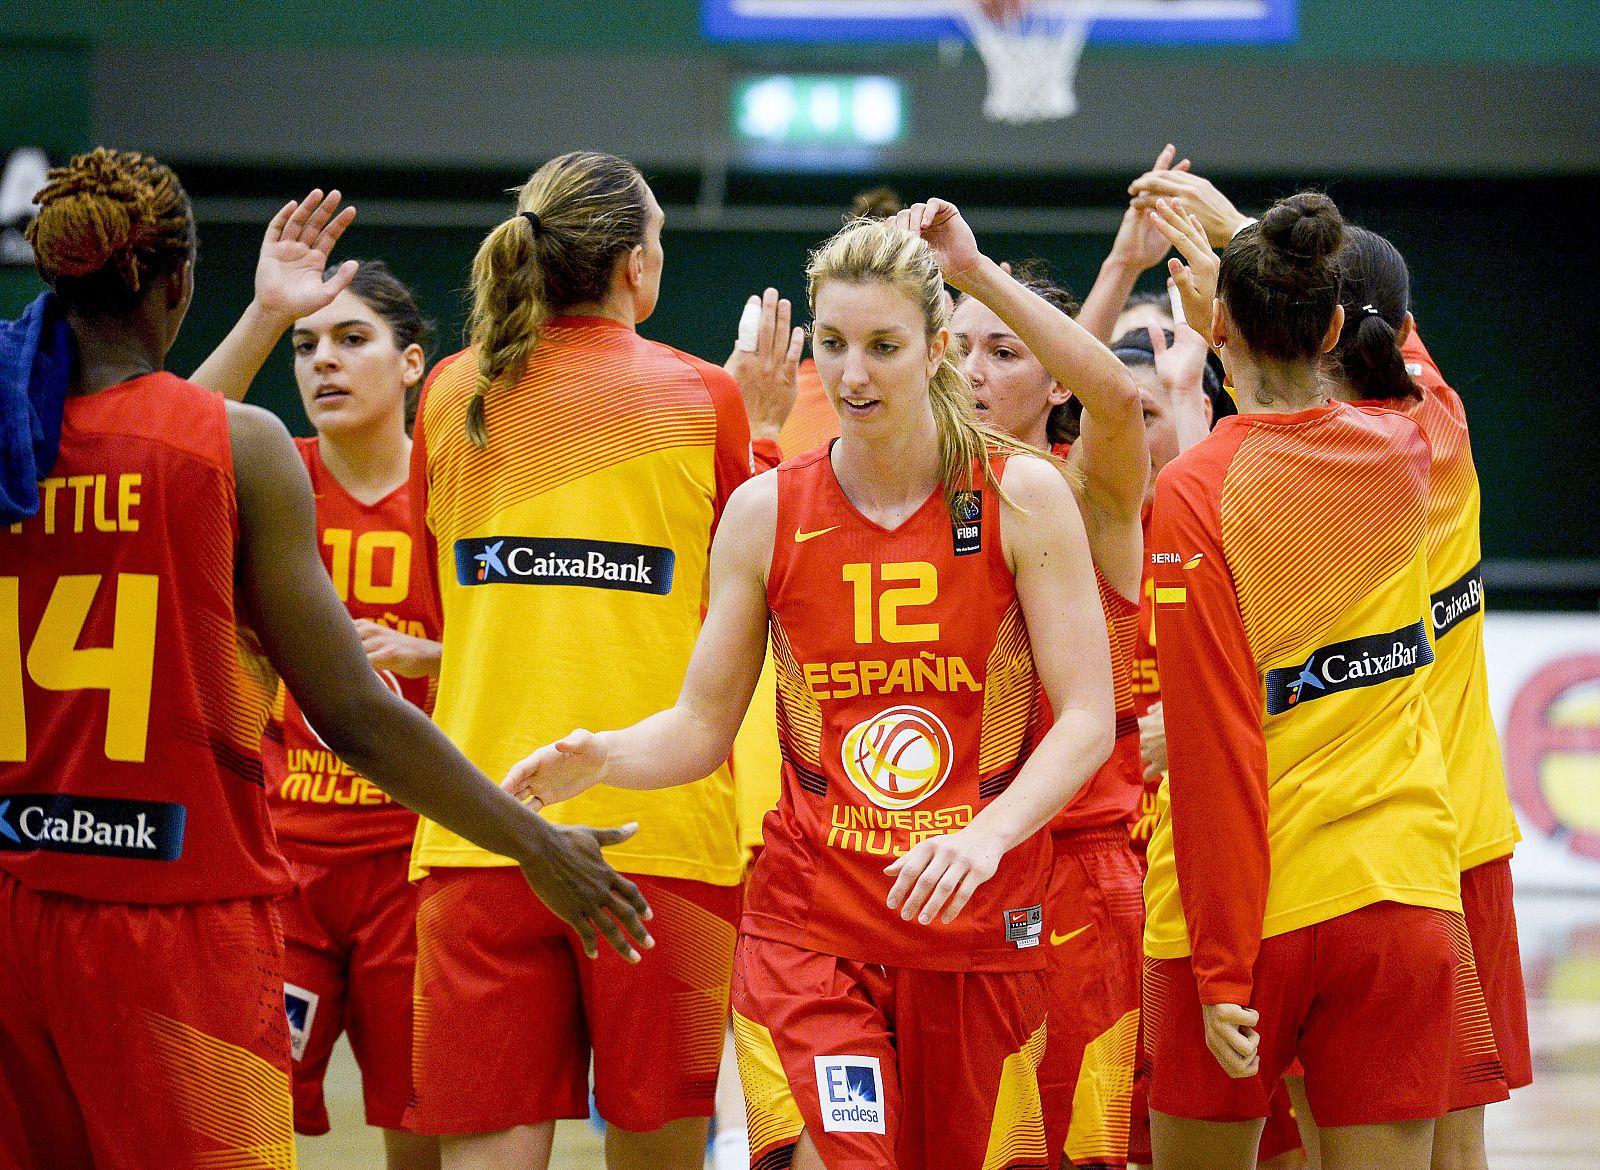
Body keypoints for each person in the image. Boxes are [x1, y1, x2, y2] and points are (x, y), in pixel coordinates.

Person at [0, 148, 647, 1170]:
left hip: (22, 901)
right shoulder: (245, 451)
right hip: (181, 919)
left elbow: (152, 442)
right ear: (177, 287)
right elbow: (351, 706)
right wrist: (532, 840)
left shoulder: (18, 453)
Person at [504, 212, 1116, 1170]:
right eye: (832, 344)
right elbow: (703, 726)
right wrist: (605, 754)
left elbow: (1088, 720)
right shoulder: (765, 513)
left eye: (882, 346)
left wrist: (986, 836)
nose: (853, 373)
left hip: (977, 920)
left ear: (937, 349)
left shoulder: (1021, 496)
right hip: (811, 925)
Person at [1139, 190, 1501, 1170]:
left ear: (1213, 323)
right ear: (1337, 324)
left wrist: (1218, 972)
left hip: (1249, 920)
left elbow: (1212, 746)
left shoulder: (1196, 491)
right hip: (1399, 896)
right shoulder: (1413, 450)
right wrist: (1241, 241)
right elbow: (1394, 357)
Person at [404, 150, 752, 1170]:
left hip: (480, 831)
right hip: (664, 838)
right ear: (637, 269)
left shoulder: (449, 394)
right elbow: (735, 612)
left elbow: (441, 617)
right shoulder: (705, 398)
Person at [914, 202, 1151, 1170]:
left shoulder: (1087, 492)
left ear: (1050, 381)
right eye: (958, 348)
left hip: (1075, 875)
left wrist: (971, 270)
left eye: (1003, 353)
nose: (973, 371)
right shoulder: (912, 497)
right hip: (946, 863)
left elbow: (1114, 398)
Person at [1317, 224, 1529, 1170]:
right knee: (1451, 1144)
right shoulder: (1437, 418)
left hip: (1371, 840)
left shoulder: (1301, 468)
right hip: (1459, 833)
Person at [266, 261, 443, 1169]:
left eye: (350, 340)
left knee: (414, 1128)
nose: (323, 363)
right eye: (305, 346)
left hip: (411, 868)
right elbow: (160, 429)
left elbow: (524, 660)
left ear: (411, 364)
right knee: (239, 1113)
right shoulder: (269, 477)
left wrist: (431, 657)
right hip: (279, 863)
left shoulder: (459, 495)